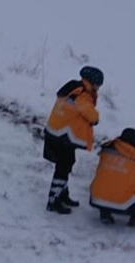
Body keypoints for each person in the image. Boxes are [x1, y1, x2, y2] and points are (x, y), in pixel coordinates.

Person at [43, 66, 103, 214]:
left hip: (57, 132)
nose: (98, 88)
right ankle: (53, 200)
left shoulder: (73, 87)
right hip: (64, 136)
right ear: (92, 82)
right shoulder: (83, 94)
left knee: (66, 164)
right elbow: (89, 113)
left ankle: (62, 195)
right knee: (63, 168)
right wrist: (95, 117)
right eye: (98, 85)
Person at [89, 128, 135, 226]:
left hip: (96, 197)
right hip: (123, 201)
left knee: (108, 178)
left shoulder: (106, 149)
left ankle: (105, 212)